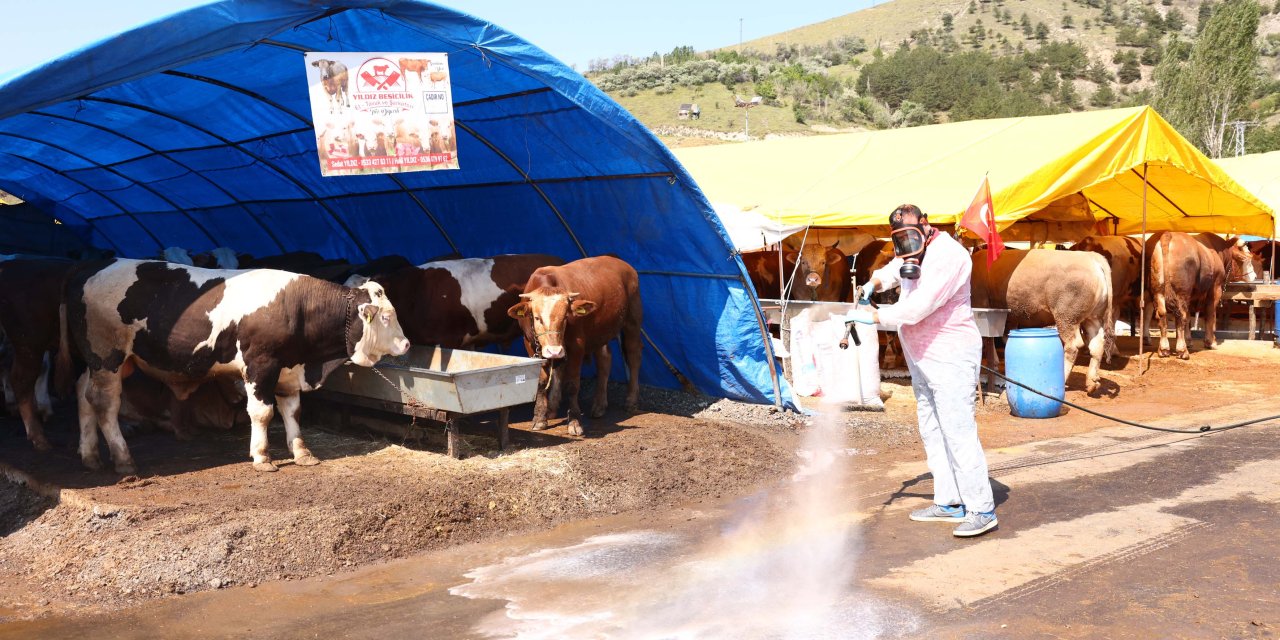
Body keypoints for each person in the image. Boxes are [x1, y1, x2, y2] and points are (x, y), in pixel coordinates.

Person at [847, 204, 997, 538]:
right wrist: (874, 282)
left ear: (926, 225)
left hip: (950, 354)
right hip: (921, 354)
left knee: (957, 430)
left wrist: (872, 317)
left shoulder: (950, 255)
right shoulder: (912, 247)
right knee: (931, 426)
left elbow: (916, 308)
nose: (905, 243)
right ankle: (949, 501)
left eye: (910, 234)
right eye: (898, 238)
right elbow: (894, 268)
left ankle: (981, 508)